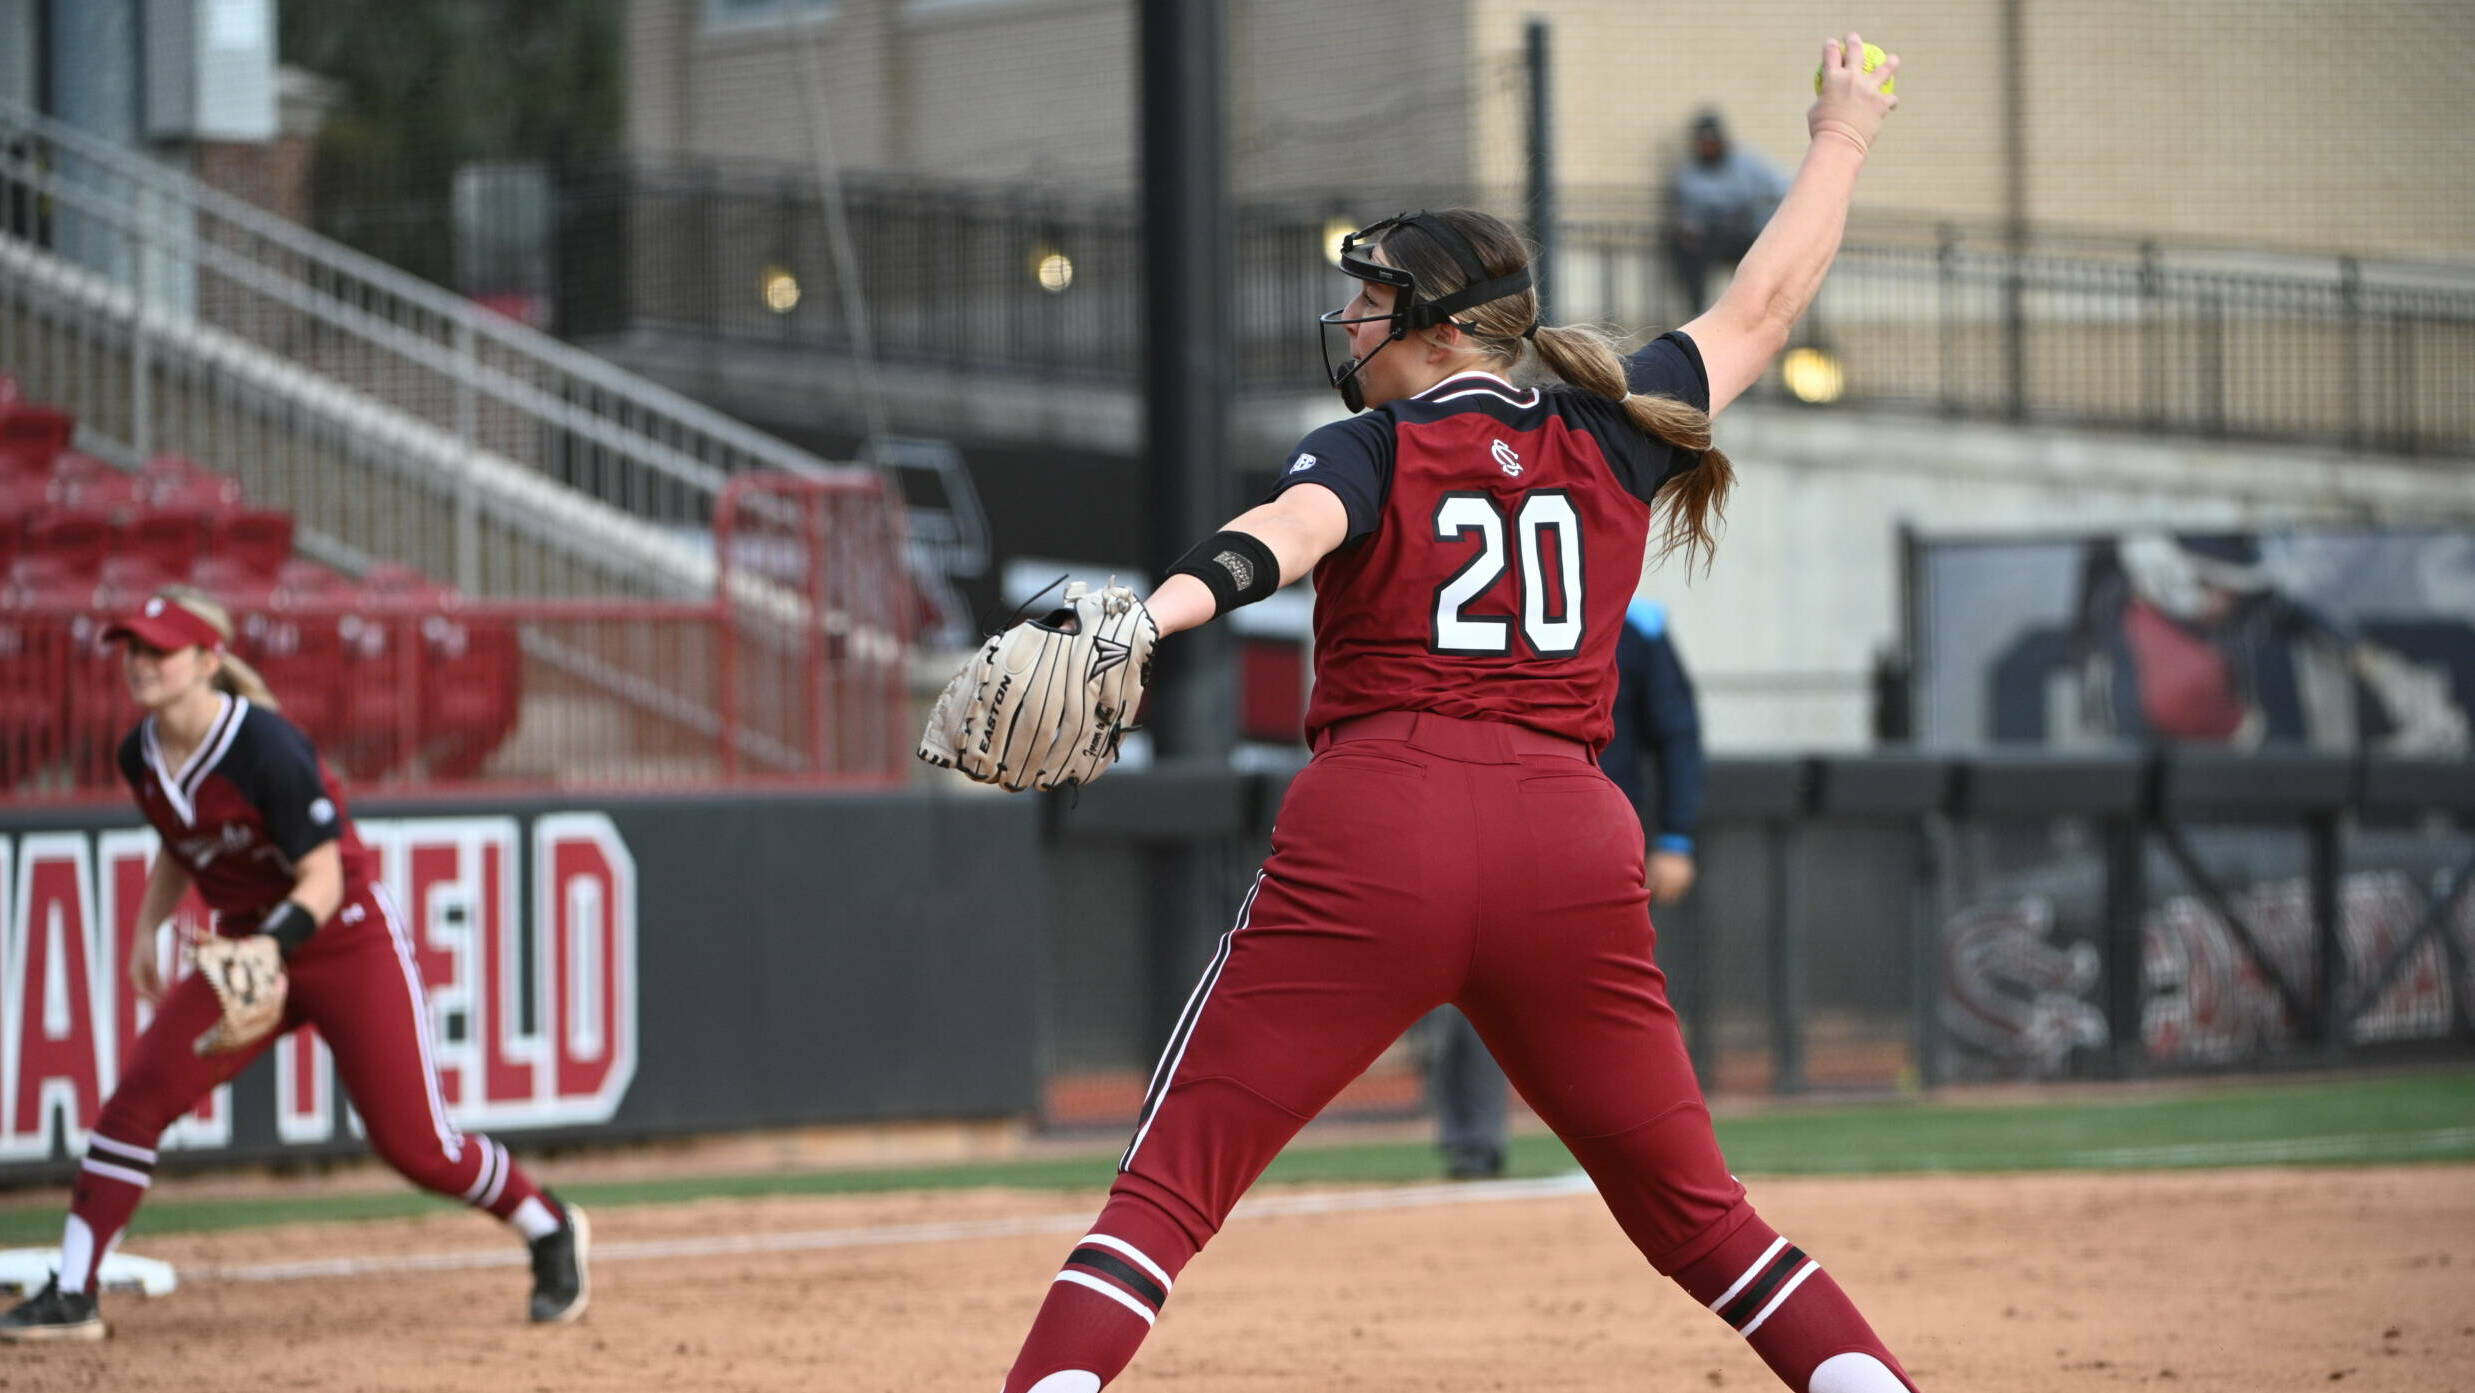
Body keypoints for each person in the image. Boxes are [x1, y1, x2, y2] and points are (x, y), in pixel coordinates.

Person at [995, 34, 1911, 1393]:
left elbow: (1282, 537)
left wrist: (1149, 613)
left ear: (1439, 328)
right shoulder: (1611, 429)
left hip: (1382, 824)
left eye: (1371, 302)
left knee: (1166, 1191)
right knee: (1709, 1227)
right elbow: (1764, 307)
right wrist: (1842, 136)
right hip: (1569, 839)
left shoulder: (1370, 444)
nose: (1349, 322)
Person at [0, 587, 589, 1342]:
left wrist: (269, 949)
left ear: (206, 661)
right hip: (248, 947)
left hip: (344, 941)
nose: (141, 663)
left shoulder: (266, 747)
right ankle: (73, 1292)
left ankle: (547, 1224)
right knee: (135, 1103)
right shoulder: (138, 754)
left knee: (417, 1147)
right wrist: (149, 925)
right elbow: (182, 842)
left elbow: (324, 878)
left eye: (160, 650)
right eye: (133, 648)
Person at [1430, 595, 1706, 1180]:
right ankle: (1475, 1142)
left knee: (1621, 998)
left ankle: (1654, 1145)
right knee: (1474, 981)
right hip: (1493, 825)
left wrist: (1677, 836)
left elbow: (1676, 732)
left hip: (1596, 834)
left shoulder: (1634, 621)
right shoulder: (1484, 601)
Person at [1664, 108, 1793, 312]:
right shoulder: (1688, 174)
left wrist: (1765, 212)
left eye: (1712, 142)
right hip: (1710, 239)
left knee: (1759, 260)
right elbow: (1688, 216)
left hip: (1746, 234)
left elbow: (1782, 187)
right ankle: (1697, 310)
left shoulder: (1746, 164)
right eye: (1703, 143)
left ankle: (1758, 307)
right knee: (1682, 248)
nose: (1708, 147)